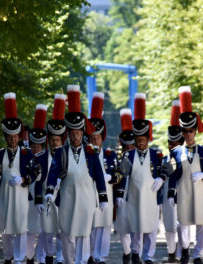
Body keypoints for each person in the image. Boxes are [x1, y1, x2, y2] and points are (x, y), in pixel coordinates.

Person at [45, 85, 108, 264]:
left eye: (78, 133)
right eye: (72, 133)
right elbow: (53, 171)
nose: (75, 137)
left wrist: (103, 197)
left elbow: (99, 176)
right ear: (68, 134)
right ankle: (69, 261)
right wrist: (49, 191)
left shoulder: (91, 152)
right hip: (67, 197)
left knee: (84, 233)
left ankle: (82, 260)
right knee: (67, 232)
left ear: (82, 133)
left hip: (87, 197)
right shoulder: (61, 152)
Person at [167, 86, 203, 264]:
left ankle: (198, 255)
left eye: (190, 131)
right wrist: (171, 191)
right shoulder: (175, 152)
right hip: (184, 190)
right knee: (183, 223)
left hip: (201, 191)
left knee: (202, 224)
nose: (188, 134)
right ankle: (185, 249)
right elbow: (171, 173)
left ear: (195, 132)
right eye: (185, 131)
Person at [0, 92, 37, 264]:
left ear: (18, 136)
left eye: (15, 136)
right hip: (4, 195)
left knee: (21, 229)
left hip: (22, 196)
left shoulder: (27, 153)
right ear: (6, 137)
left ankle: (19, 258)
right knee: (6, 229)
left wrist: (24, 180)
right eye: (9, 137)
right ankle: (8, 256)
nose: (12, 139)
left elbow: (36, 171)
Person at [119, 93, 164, 264]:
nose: (140, 143)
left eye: (143, 140)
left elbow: (167, 168)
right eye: (138, 140)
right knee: (136, 226)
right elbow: (122, 174)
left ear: (147, 140)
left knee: (151, 228)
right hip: (135, 195)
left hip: (152, 196)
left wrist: (162, 178)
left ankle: (149, 256)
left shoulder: (156, 154)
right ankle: (136, 253)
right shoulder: (129, 155)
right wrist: (120, 192)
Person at [88, 92, 122, 264]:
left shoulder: (109, 155)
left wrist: (112, 177)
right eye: (92, 138)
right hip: (90, 193)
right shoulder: (86, 155)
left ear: (102, 139)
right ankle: (90, 255)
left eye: (98, 138)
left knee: (105, 226)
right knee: (91, 225)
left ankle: (101, 256)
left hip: (107, 193)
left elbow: (118, 174)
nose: (95, 140)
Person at [34, 94, 67, 264]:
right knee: (46, 230)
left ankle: (60, 257)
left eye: (57, 140)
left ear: (62, 140)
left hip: (63, 197)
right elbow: (37, 180)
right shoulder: (40, 156)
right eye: (52, 140)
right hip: (46, 198)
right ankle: (48, 255)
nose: (55, 143)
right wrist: (38, 199)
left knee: (62, 230)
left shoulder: (67, 156)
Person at [160, 100, 184, 263]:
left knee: (182, 225)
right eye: (169, 143)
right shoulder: (164, 159)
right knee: (169, 226)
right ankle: (171, 253)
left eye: (174, 143)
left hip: (182, 194)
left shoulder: (185, 157)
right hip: (167, 196)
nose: (170, 145)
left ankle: (182, 253)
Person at [25, 104, 48, 264]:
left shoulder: (47, 159)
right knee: (29, 230)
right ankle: (29, 256)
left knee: (45, 230)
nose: (35, 148)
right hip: (28, 197)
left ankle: (41, 256)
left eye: (38, 146)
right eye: (33, 146)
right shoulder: (25, 158)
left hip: (44, 196)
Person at [114, 108, 136, 264]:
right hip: (122, 196)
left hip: (137, 195)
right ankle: (127, 250)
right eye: (126, 147)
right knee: (122, 227)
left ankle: (135, 253)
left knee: (137, 225)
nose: (128, 149)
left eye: (131, 146)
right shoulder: (116, 159)